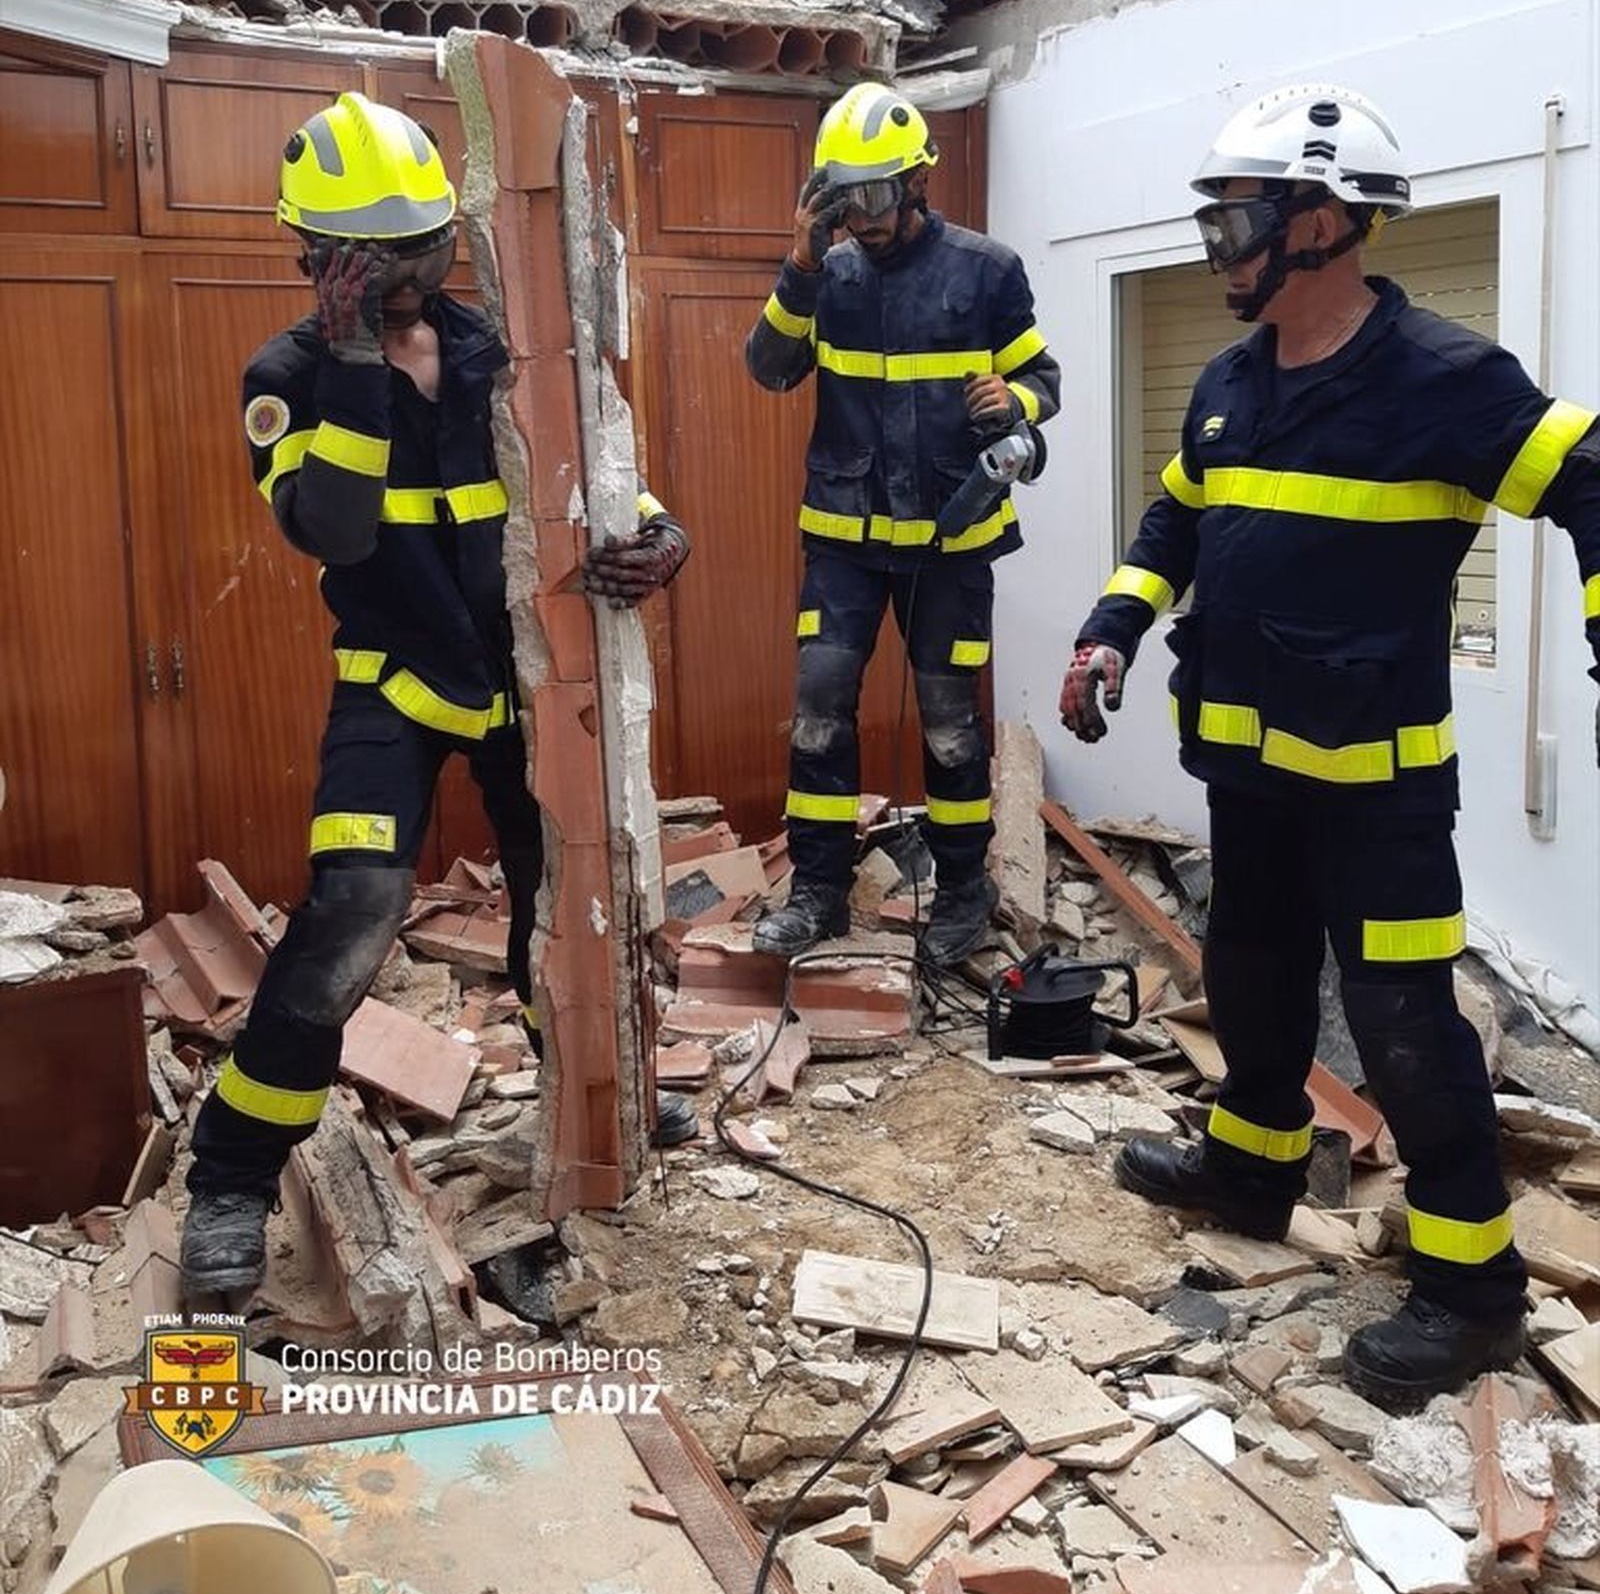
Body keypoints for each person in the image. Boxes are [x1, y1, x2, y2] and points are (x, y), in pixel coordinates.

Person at [1061, 83, 1600, 1409]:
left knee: (1404, 1025)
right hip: (1248, 770)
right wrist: (1111, 627)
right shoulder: (1232, 381)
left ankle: (1475, 1293)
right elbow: (1175, 522)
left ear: (1324, 223)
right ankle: (1252, 1164)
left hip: (1380, 788)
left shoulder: (1445, 383)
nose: (1217, 247)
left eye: (1234, 219)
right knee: (1248, 968)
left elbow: (1593, 482)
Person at [181, 94, 692, 1299]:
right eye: (377, 260)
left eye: (421, 251)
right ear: (317, 258)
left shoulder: (497, 350)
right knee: (350, 921)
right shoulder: (289, 377)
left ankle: (587, 1116)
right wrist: (356, 360)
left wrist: (661, 536)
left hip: (523, 687)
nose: (408, 279)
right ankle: (233, 1181)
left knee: (559, 913)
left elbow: (591, 467)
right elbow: (338, 531)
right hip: (394, 690)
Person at [745, 81, 1060, 964]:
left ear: (920, 177)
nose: (865, 217)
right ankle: (817, 893)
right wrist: (800, 267)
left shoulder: (987, 270)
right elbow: (768, 369)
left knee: (951, 722)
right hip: (845, 541)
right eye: (847, 198)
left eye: (879, 194)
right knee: (816, 716)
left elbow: (1048, 387)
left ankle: (963, 891)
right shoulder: (829, 274)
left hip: (951, 543)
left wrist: (1016, 398)